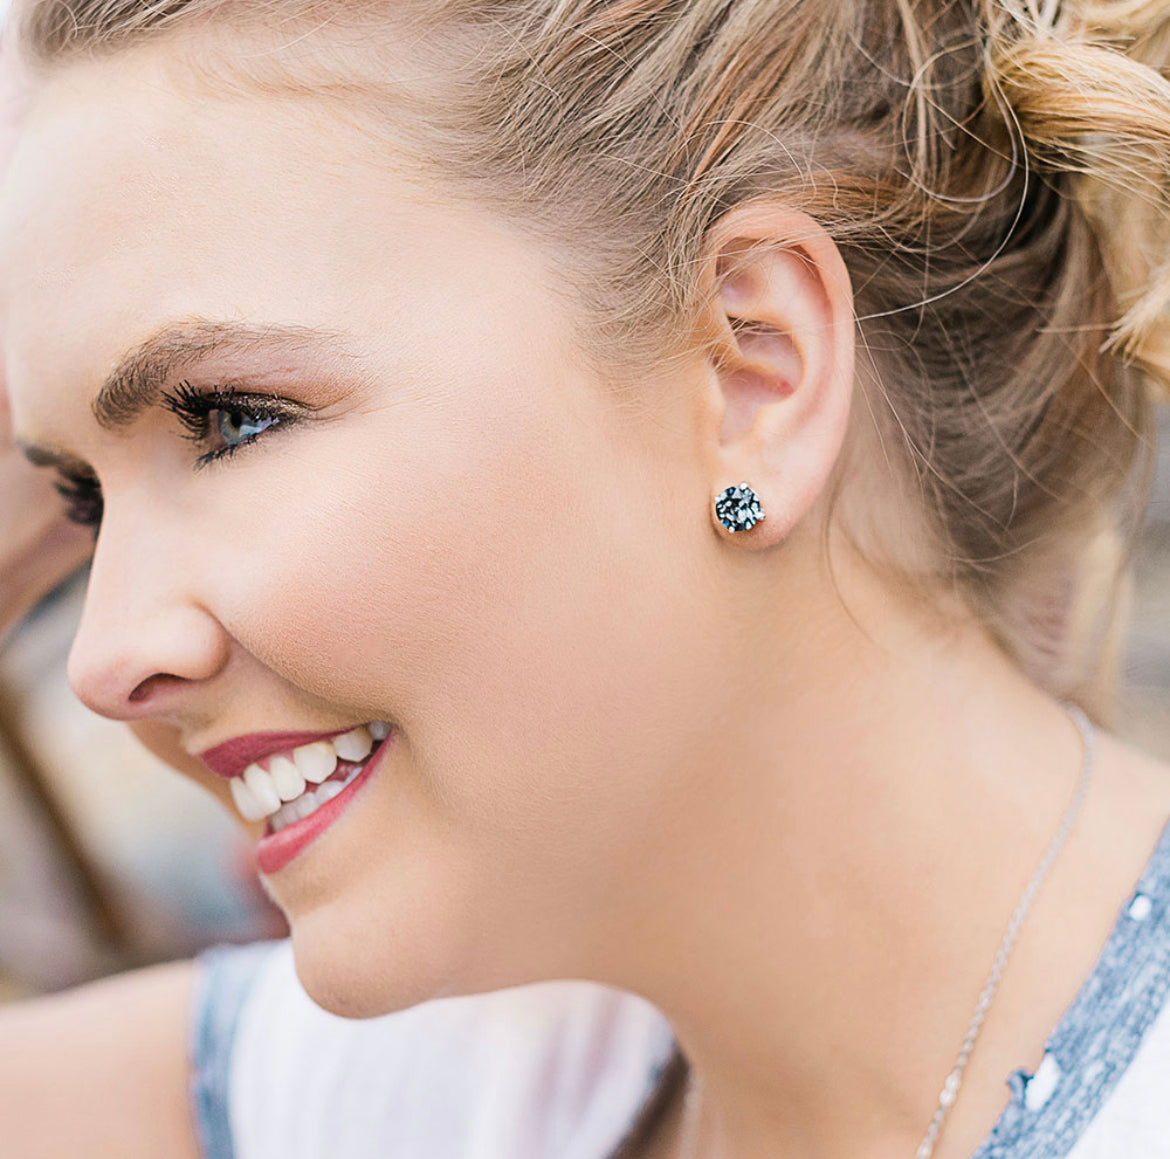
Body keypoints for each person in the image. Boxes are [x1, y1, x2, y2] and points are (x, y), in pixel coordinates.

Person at [3, 1, 1170, 1157]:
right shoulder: (482, 1084)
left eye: (233, 421)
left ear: (752, 374)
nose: (104, 658)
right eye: (84, 500)